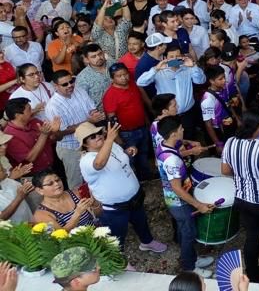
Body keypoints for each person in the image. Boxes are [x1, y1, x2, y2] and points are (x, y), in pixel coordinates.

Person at [76, 121, 167, 255]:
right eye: (92, 137)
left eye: (99, 133)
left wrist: (127, 152)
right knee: (116, 235)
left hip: (134, 197)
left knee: (141, 222)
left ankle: (147, 242)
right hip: (114, 208)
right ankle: (119, 258)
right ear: (85, 144)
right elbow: (99, 163)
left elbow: (119, 156)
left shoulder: (111, 145)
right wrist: (110, 139)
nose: (98, 137)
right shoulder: (86, 160)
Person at [221, 110, 259, 282]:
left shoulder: (230, 143)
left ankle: (252, 273)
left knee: (252, 236)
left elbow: (225, 171)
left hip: (241, 198)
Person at [156, 116, 216, 277]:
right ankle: (189, 267)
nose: (183, 130)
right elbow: (177, 188)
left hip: (175, 199)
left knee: (185, 231)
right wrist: (199, 205)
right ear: (174, 133)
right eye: (181, 129)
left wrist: (192, 151)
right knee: (189, 232)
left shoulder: (163, 146)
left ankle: (191, 258)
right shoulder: (172, 161)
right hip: (178, 203)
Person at [46, 69, 105, 191]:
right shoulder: (53, 106)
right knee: (77, 183)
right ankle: (81, 208)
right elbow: (62, 132)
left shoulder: (79, 90)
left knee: (98, 174)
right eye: (65, 84)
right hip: (71, 148)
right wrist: (89, 121)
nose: (70, 85)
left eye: (71, 81)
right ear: (55, 86)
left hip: (90, 142)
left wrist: (95, 114)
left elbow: (91, 109)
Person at [31, 169, 99, 229]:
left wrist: (94, 204)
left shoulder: (76, 193)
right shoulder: (41, 214)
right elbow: (60, 236)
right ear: (39, 190)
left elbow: (98, 214)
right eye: (50, 183)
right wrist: (77, 213)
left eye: (57, 180)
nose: (56, 183)